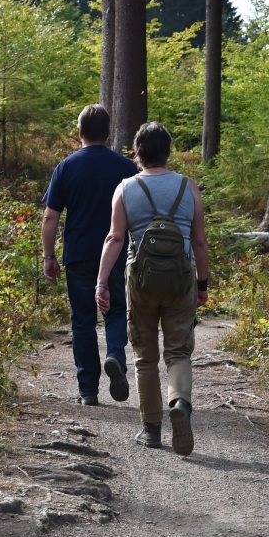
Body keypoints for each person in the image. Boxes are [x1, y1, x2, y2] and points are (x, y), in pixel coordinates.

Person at [95, 122, 209, 455]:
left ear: (137, 152)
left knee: (145, 357)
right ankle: (180, 404)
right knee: (178, 351)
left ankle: (151, 430)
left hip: (140, 280)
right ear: (168, 151)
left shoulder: (125, 188)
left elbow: (115, 238)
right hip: (180, 278)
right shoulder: (188, 188)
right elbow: (199, 241)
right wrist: (202, 283)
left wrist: (102, 283)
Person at [42, 104, 139, 405]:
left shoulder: (66, 167)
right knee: (117, 311)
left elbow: (50, 218)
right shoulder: (126, 168)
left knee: (82, 320)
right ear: (108, 133)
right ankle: (114, 356)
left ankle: (88, 390)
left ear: (80, 132)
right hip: (117, 253)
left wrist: (49, 256)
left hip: (79, 255)